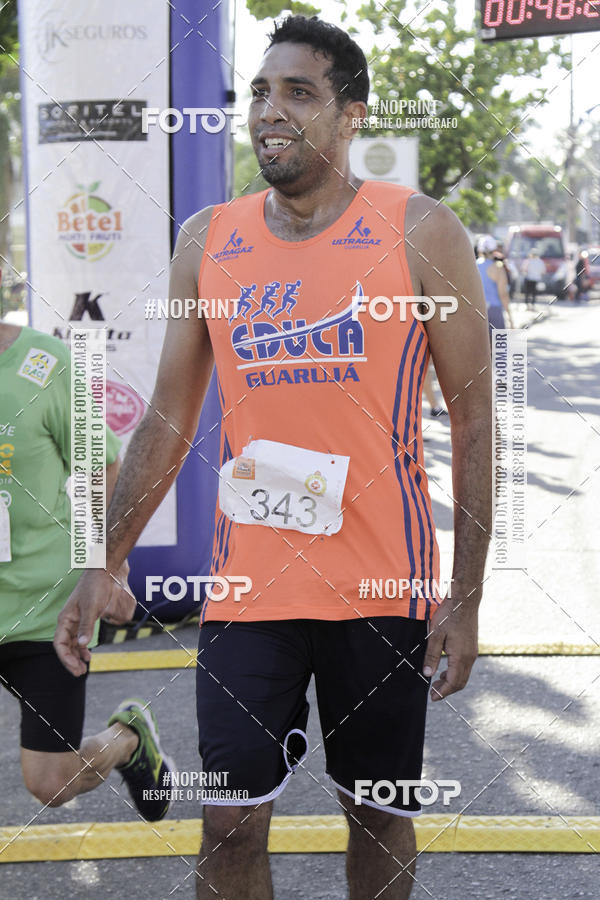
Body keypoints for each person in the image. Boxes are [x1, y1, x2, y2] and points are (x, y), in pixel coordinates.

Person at [55, 15, 492, 899]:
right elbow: (170, 418)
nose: (270, 110)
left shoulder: (420, 231)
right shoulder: (207, 240)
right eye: (259, 91)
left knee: (376, 811)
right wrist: (104, 556)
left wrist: (468, 600)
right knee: (227, 821)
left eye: (298, 91)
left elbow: (478, 422)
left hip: (383, 585)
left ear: (353, 115)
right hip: (251, 588)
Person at [0, 322, 173, 819]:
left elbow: (101, 467)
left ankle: (129, 740)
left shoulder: (46, 364)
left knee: (50, 783)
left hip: (46, 609)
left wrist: (110, 567)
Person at [476, 235, 513, 334]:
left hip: (476, 311)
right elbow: (503, 294)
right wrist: (510, 319)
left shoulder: (473, 267)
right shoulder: (497, 268)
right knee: (499, 347)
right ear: (494, 250)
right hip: (494, 310)